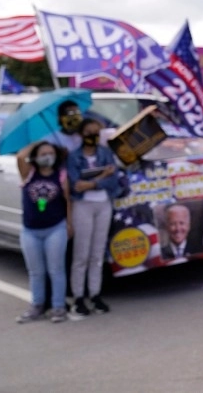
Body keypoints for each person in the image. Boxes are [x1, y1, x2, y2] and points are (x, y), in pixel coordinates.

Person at [66, 118, 121, 319]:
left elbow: (113, 179)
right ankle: (79, 296)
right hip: (82, 206)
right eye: (88, 132)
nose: (92, 136)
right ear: (81, 135)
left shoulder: (105, 153)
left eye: (96, 132)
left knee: (98, 253)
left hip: (103, 204)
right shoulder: (74, 157)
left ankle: (95, 293)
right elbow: (75, 185)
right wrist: (100, 178)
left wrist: (90, 183)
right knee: (82, 253)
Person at [14, 140, 71, 324]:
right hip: (30, 230)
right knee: (36, 271)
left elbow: (68, 201)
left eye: (50, 153)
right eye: (43, 154)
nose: (47, 157)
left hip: (55, 227)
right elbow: (20, 157)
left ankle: (58, 306)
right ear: (36, 157)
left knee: (56, 269)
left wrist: (69, 224)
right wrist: (39, 142)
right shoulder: (29, 173)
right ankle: (37, 305)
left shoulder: (60, 175)